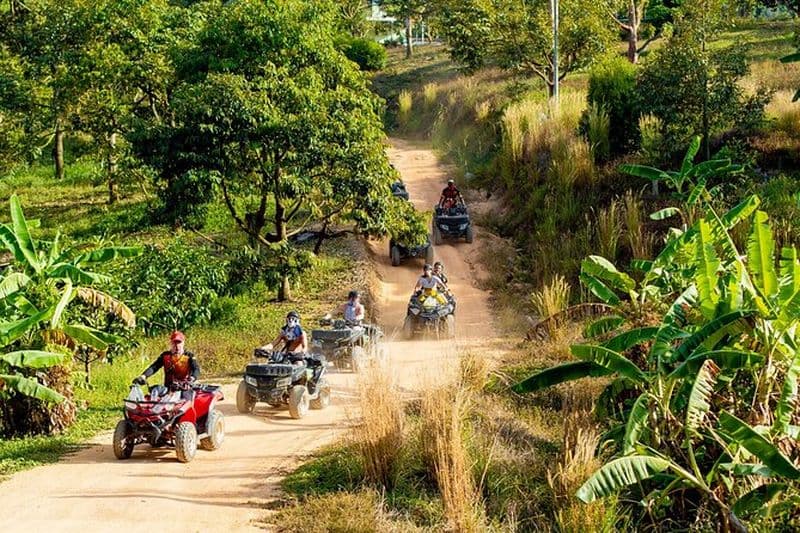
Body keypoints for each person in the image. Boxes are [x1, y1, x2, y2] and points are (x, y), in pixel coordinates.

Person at [133, 330, 200, 389]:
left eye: (179, 342)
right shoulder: (165, 356)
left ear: (183, 343)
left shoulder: (189, 356)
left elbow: (196, 369)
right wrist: (144, 376)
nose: (177, 346)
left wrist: (192, 378)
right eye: (174, 343)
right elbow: (154, 367)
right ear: (171, 343)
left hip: (184, 387)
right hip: (168, 388)